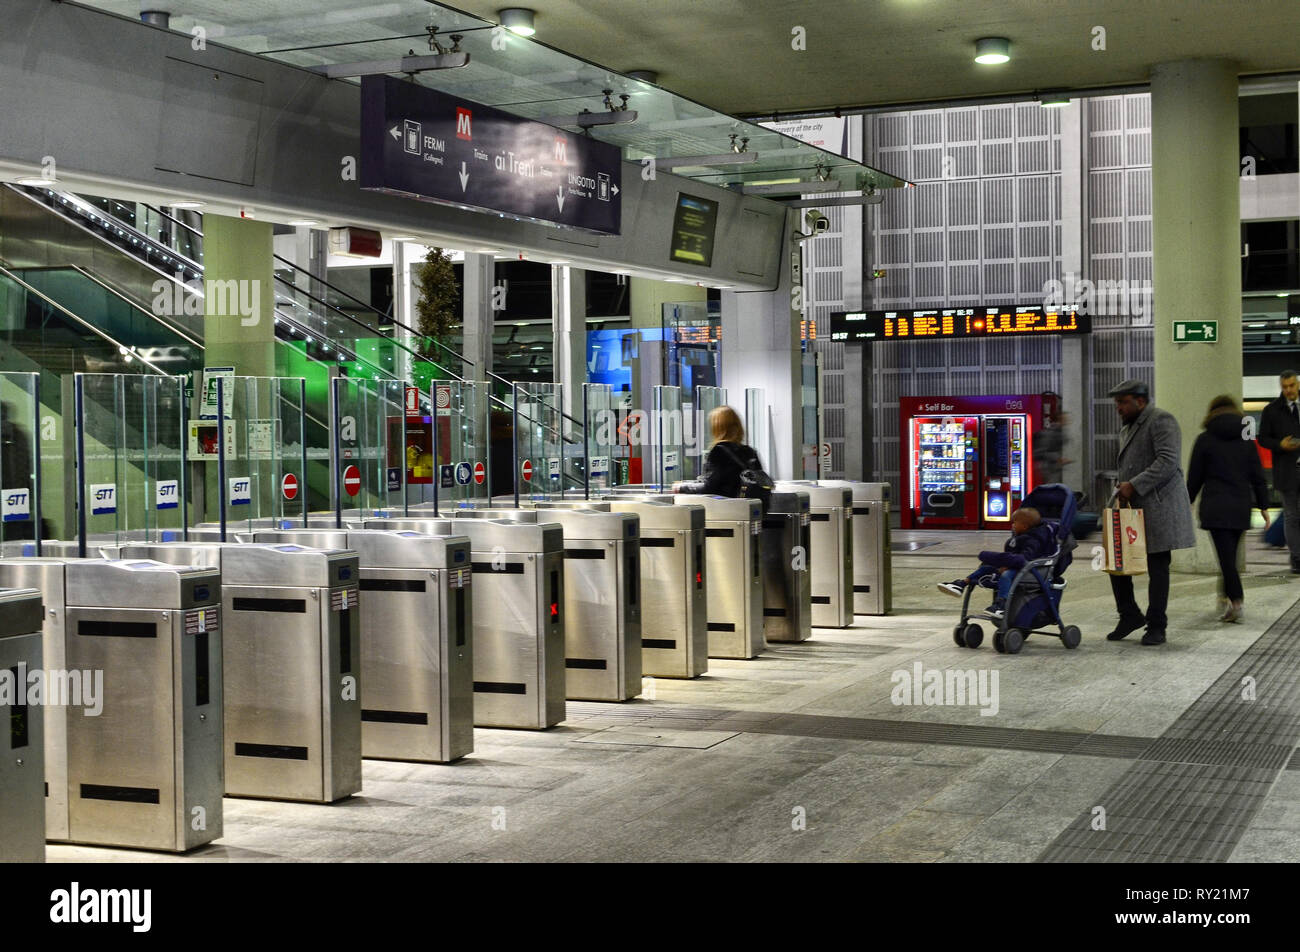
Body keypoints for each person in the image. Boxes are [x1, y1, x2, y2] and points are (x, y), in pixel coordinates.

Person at [1104, 379, 1196, 646]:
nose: (1118, 408)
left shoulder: (1161, 420)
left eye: (1122, 402)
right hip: (1132, 506)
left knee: (1158, 566)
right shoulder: (1128, 427)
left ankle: (1157, 626)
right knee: (1117, 562)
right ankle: (1129, 614)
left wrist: (1134, 484)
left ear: (1140, 401)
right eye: (1117, 403)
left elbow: (1168, 461)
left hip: (1158, 505)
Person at [1186, 395, 1270, 623]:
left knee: (1226, 559)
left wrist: (1188, 501)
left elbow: (1195, 477)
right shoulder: (1247, 440)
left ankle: (1236, 601)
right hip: (1241, 506)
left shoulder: (1204, 439)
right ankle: (1225, 598)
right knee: (1229, 557)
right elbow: (1258, 477)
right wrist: (1263, 506)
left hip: (1215, 507)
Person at [937, 506, 1056, 620]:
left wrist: (1007, 564)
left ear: (1024, 526)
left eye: (1015, 522)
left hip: (1028, 570)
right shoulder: (1019, 537)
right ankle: (962, 584)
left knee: (1006, 575)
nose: (1012, 525)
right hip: (1014, 566)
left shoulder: (1033, 540)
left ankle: (1001, 605)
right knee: (985, 568)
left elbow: (1025, 558)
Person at [1256, 370, 1300, 573]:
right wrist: (1280, 444)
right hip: (1286, 471)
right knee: (1291, 516)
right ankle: (1297, 559)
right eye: (1285, 387)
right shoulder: (1272, 410)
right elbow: (1263, 438)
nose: (1289, 390)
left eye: (1292, 385)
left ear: (1297, 384)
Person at [674, 405, 764, 498]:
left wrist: (682, 487)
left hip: (726, 508)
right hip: (752, 507)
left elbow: (709, 487)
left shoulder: (719, 452)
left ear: (718, 428)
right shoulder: (750, 452)